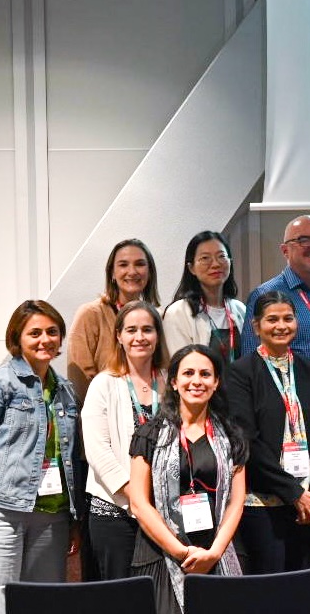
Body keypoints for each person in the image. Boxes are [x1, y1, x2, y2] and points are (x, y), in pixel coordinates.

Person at [0, 301, 81, 614]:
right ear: (17, 338)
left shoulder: (65, 390)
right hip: (1, 514)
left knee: (43, 605)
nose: (44, 339)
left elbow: (71, 458)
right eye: (34, 333)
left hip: (52, 518)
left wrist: (74, 520)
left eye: (51, 332)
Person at [127, 345, 246, 614]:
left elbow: (236, 502)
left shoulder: (231, 436)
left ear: (216, 383)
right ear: (174, 381)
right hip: (161, 555)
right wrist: (182, 552)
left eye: (205, 374)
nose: (196, 381)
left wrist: (213, 553)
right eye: (188, 373)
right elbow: (138, 504)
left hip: (217, 553)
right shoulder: (150, 434)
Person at [225, 291, 310, 574]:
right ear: (256, 326)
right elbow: (248, 441)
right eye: (272, 320)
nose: (281, 326)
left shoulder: (309, 369)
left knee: (303, 579)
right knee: (271, 585)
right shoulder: (241, 372)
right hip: (264, 501)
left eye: (288, 318)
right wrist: (294, 493)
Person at [82, 300, 168, 580]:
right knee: (122, 600)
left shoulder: (170, 381)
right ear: (119, 336)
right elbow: (98, 453)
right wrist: (140, 499)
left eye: (147, 329)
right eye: (131, 330)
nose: (139, 337)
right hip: (115, 513)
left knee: (161, 597)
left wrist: (156, 503)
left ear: (158, 335)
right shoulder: (103, 384)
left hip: (163, 511)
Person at [242, 215, 310, 388]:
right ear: (285, 251)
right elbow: (252, 360)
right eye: (304, 240)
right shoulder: (265, 295)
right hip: (291, 398)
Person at [69, 238, 160, 400]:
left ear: (150, 272)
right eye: (123, 265)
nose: (132, 271)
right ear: (112, 272)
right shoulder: (90, 314)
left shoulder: (156, 317)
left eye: (139, 264)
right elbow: (80, 379)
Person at [162, 231, 245, 365]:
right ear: (191, 268)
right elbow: (182, 367)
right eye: (205, 258)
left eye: (221, 256)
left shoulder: (240, 309)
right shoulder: (178, 313)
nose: (216, 264)